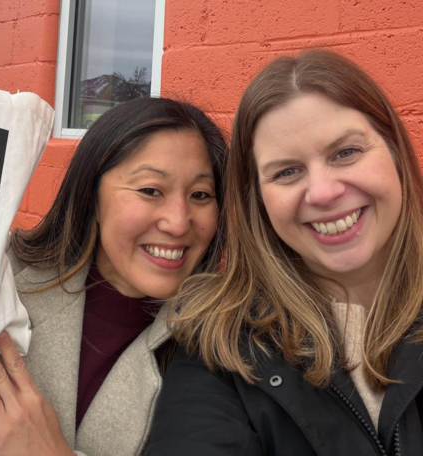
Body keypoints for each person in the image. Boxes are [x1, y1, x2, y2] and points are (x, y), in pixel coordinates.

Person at [145, 50, 423, 455]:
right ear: (258, 200)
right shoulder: (221, 350)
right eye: (287, 172)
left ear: (395, 152)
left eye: (346, 152)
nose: (324, 193)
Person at [0, 96, 228, 456]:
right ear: (92, 194)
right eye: (150, 190)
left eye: (200, 194)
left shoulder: (223, 348)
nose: (179, 222)